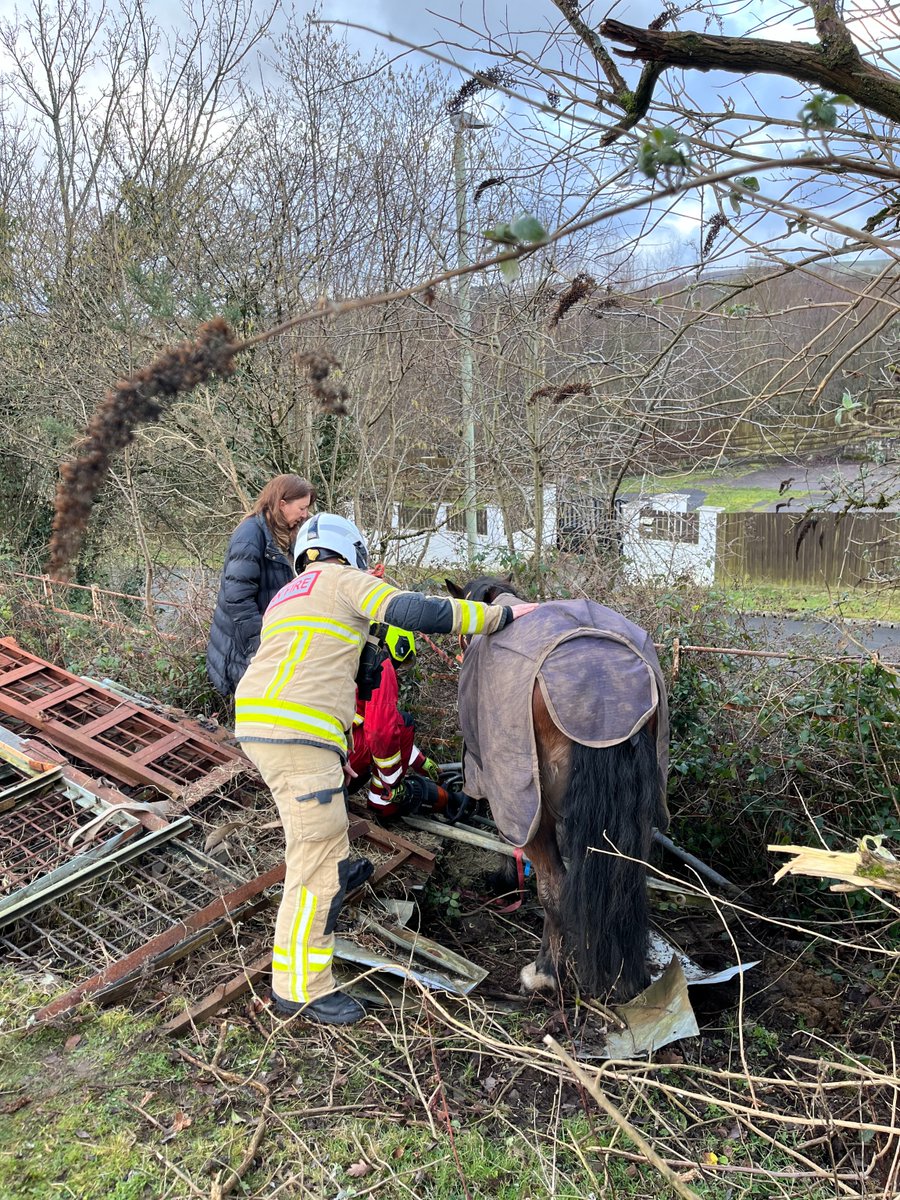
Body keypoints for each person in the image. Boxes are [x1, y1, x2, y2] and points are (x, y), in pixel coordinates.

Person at [234, 512, 537, 1026]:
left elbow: (321, 657)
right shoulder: (343, 581)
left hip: (262, 728)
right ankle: (301, 988)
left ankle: (301, 958)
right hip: (298, 736)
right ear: (347, 550)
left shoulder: (288, 595)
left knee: (312, 849)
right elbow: (415, 610)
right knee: (317, 864)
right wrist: (499, 618)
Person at [206, 474, 315, 697]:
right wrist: (261, 646)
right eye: (301, 508)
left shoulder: (286, 534)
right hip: (243, 648)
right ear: (282, 504)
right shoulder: (250, 536)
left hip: (268, 640)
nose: (305, 515)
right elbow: (238, 600)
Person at [347, 624, 440, 817]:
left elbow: (374, 723)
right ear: (398, 647)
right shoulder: (380, 663)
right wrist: (394, 783)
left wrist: (420, 762)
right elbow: (381, 733)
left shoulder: (350, 651)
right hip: (344, 760)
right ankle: (382, 806)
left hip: (321, 759)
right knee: (404, 722)